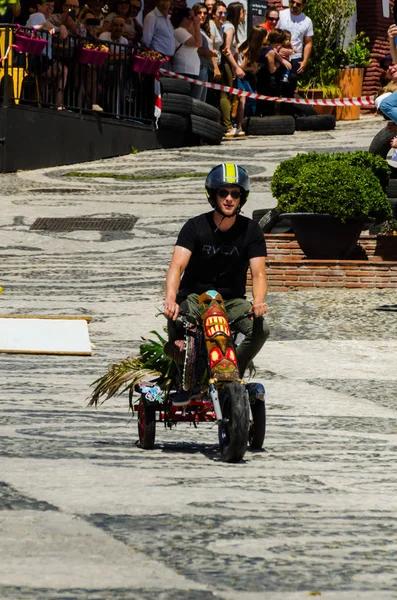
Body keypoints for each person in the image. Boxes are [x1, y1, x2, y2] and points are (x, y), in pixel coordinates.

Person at [164, 163, 269, 391]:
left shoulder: (251, 230)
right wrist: (171, 299)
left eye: (235, 193)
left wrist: (259, 301)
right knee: (176, 319)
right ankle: (181, 371)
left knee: (261, 330)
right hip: (194, 298)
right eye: (223, 193)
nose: (229, 199)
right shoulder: (194, 227)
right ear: (213, 196)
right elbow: (176, 266)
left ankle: (232, 373)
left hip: (232, 301)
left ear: (242, 197)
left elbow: (258, 272)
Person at [26, 0, 68, 110]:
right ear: (39, 6)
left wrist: (62, 26)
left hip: (43, 59)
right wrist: (45, 25)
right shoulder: (37, 15)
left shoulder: (45, 20)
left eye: (53, 6)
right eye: (47, 5)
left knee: (56, 73)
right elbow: (32, 29)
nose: (50, 8)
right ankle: (58, 104)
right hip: (34, 58)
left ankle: (34, 99)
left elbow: (56, 29)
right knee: (62, 70)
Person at [235, 25, 268, 134]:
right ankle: (241, 123)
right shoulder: (248, 49)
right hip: (243, 76)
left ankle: (248, 123)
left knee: (253, 98)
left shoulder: (257, 47)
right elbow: (242, 66)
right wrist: (254, 67)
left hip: (249, 76)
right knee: (248, 99)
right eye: (265, 36)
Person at [219, 1, 245, 137]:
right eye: (242, 12)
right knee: (226, 93)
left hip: (229, 63)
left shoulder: (230, 26)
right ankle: (228, 126)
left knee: (230, 93)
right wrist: (236, 68)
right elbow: (226, 50)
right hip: (226, 64)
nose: (244, 14)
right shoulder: (229, 28)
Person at [278, 0, 313, 95]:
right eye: (292, 2)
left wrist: (305, 61)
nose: (294, 5)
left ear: (303, 5)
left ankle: (287, 110)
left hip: (295, 59)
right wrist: (279, 49)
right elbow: (272, 34)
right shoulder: (281, 15)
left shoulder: (307, 21)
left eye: (298, 4)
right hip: (278, 56)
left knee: (289, 89)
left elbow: (308, 43)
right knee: (274, 87)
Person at [170, 7, 201, 94]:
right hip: (184, 70)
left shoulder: (185, 31)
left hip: (191, 71)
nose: (194, 20)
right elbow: (198, 43)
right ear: (184, 19)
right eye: (191, 17)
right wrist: (197, 26)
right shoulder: (179, 31)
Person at [192, 2, 218, 102]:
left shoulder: (204, 29)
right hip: (197, 66)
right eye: (199, 13)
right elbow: (193, 47)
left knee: (202, 101)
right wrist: (206, 52)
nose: (202, 15)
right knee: (196, 99)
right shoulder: (192, 28)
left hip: (206, 67)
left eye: (205, 13)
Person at [142, 0, 175, 65]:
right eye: (163, 1)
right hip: (157, 58)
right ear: (157, 2)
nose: (166, 4)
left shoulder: (166, 18)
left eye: (168, 1)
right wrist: (154, 55)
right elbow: (146, 40)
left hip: (167, 59)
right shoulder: (151, 17)